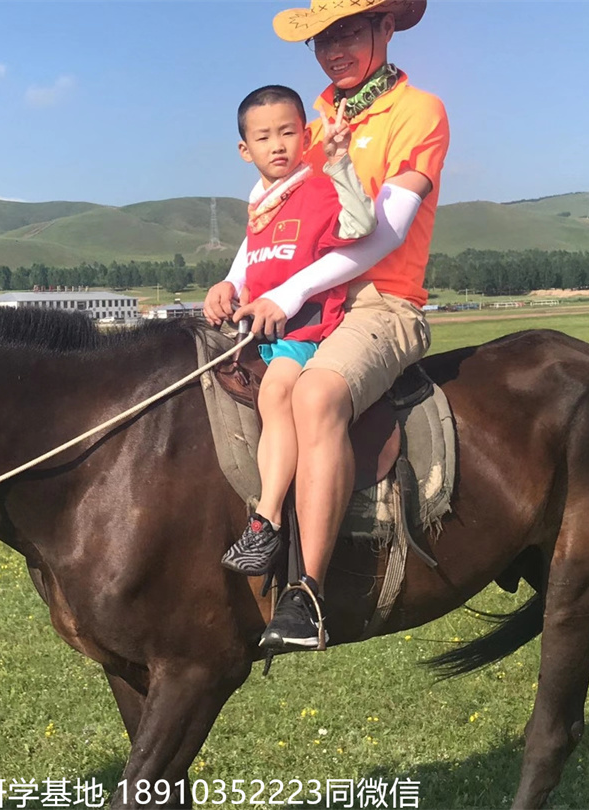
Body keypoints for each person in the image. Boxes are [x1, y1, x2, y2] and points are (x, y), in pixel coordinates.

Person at [205, 0, 448, 652]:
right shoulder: (315, 122)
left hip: (381, 302)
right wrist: (237, 280)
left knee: (315, 396)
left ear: (386, 27)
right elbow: (273, 221)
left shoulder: (417, 113)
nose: (334, 49)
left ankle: (306, 594)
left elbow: (383, 235)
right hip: (308, 301)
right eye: (322, 39)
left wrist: (285, 294)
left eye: (348, 32)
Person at [213, 85, 375, 582]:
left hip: (301, 328)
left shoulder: (319, 188)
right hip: (258, 328)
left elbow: (360, 224)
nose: (277, 145)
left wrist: (342, 163)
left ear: (306, 135)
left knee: (278, 393)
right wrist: (228, 282)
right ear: (246, 150)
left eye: (287, 132)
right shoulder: (263, 202)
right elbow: (252, 259)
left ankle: (268, 519)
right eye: (264, 137)